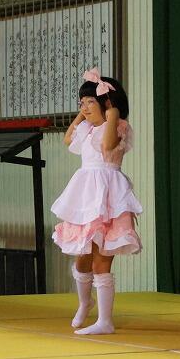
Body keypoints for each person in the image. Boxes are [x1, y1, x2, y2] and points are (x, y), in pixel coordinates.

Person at [51, 68, 142, 334]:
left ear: (107, 103)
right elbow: (68, 139)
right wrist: (82, 115)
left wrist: (112, 116)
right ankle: (84, 302)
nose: (85, 107)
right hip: (86, 195)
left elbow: (107, 146)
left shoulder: (119, 126)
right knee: (83, 256)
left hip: (109, 194)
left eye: (91, 101)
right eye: (82, 102)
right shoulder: (87, 129)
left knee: (102, 258)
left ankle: (105, 321)